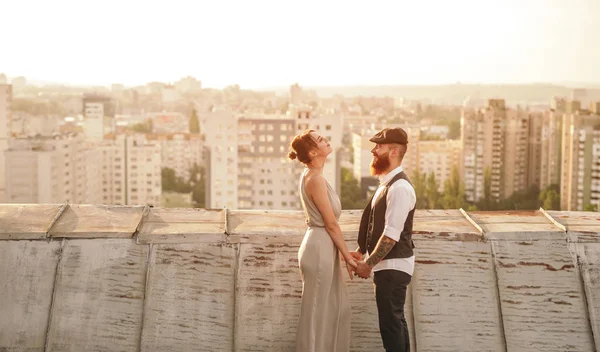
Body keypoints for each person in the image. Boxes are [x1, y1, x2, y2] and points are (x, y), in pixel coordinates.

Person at [289, 129, 357, 352]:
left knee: (330, 309)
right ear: (312, 151)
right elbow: (331, 224)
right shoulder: (315, 179)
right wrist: (348, 256)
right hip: (319, 247)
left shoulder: (312, 175)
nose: (326, 140)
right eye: (320, 140)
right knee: (317, 314)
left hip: (321, 246)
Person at [351, 127, 417, 352]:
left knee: (391, 325)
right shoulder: (386, 184)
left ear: (394, 151)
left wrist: (367, 265)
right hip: (389, 266)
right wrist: (361, 251)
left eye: (378, 147)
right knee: (396, 323)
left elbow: (390, 235)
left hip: (393, 267)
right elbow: (374, 224)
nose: (373, 150)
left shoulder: (399, 188)